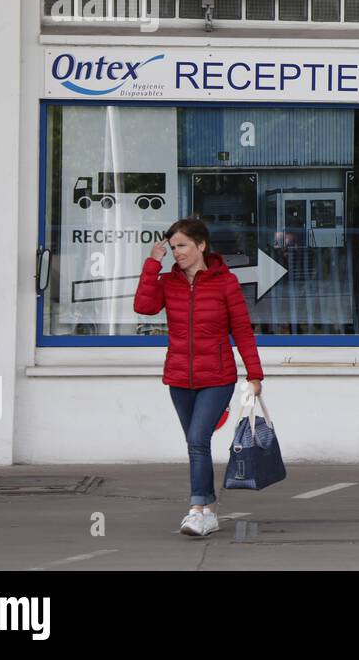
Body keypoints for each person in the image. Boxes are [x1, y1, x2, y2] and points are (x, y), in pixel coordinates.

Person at [134, 218, 264, 537]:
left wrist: (255, 374)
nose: (177, 252)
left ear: (201, 245)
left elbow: (243, 331)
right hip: (179, 377)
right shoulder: (168, 282)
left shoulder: (225, 283)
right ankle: (206, 510)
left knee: (196, 441)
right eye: (173, 247)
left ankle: (197, 510)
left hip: (217, 376)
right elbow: (143, 306)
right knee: (197, 443)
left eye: (182, 246)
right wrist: (152, 264)